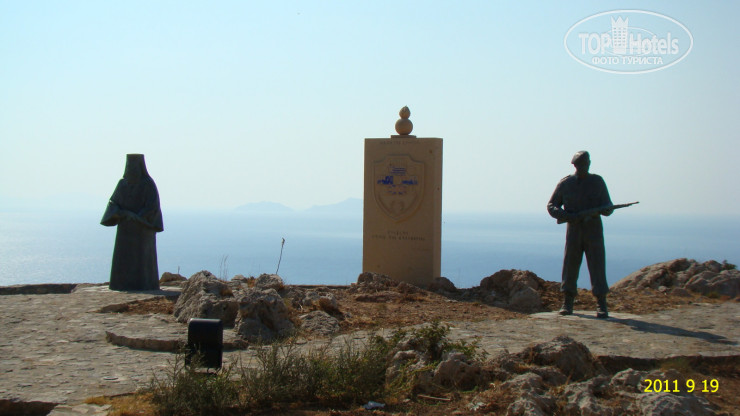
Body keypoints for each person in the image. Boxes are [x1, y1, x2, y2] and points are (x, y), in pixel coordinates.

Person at [547, 151, 613, 318]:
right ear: (575, 165)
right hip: (574, 230)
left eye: (585, 163)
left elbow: (608, 205)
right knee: (570, 264)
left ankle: (601, 303)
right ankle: (567, 301)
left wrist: (606, 210)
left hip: (593, 230)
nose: (583, 166)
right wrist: (567, 216)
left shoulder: (597, 182)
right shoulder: (566, 183)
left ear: (589, 163)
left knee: (597, 265)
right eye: (580, 164)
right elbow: (552, 205)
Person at [101, 154, 163, 291]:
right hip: (125, 228)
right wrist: (122, 213)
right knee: (123, 258)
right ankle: (121, 284)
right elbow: (113, 202)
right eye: (129, 167)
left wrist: (138, 217)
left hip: (142, 230)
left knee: (142, 260)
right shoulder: (122, 184)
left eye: (133, 167)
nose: (131, 170)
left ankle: (144, 284)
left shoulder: (148, 184)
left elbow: (153, 206)